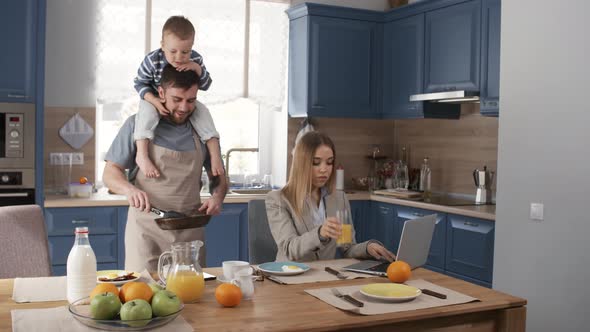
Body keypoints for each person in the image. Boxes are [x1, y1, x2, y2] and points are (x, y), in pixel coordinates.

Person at [104, 64, 228, 272]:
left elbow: (219, 178)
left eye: (191, 100)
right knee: (142, 296)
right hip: (146, 230)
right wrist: (130, 190)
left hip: (190, 231)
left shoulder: (204, 132)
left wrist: (217, 197)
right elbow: (110, 172)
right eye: (177, 100)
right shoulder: (137, 126)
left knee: (193, 299)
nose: (184, 108)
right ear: (161, 93)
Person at [265, 131, 395, 262]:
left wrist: (367, 248)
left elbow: (347, 248)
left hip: (325, 276)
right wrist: (320, 233)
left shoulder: (340, 198)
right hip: (290, 276)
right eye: (316, 162)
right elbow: (289, 249)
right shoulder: (278, 200)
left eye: (329, 162)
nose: (324, 169)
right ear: (301, 164)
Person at [133, 15, 224, 179]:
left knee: (203, 112)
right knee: (146, 114)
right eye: (173, 51)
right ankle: (142, 155)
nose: (179, 57)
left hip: (183, 96)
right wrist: (154, 100)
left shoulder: (195, 59)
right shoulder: (152, 60)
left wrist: (197, 68)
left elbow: (206, 84)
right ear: (162, 46)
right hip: (152, 96)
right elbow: (139, 83)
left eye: (185, 52)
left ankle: (216, 155)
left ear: (192, 47)